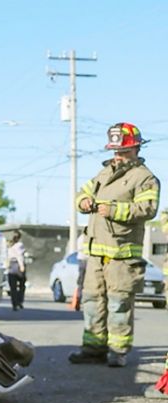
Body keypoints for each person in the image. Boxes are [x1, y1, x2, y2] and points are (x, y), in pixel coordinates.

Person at [69, 123, 160, 368]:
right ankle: (93, 349)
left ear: (136, 148)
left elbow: (148, 208)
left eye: (123, 151)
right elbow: (81, 194)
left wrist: (114, 210)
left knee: (119, 304)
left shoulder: (144, 177)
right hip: (96, 253)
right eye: (115, 151)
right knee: (92, 302)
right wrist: (84, 201)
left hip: (122, 255)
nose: (118, 156)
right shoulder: (104, 173)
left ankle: (118, 351)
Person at [7, 231, 27, 310]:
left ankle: (14, 304)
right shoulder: (19, 245)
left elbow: (7, 257)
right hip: (17, 265)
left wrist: (7, 265)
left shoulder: (9, 245)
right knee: (22, 285)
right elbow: (19, 256)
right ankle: (20, 301)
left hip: (11, 266)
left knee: (13, 287)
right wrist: (21, 265)